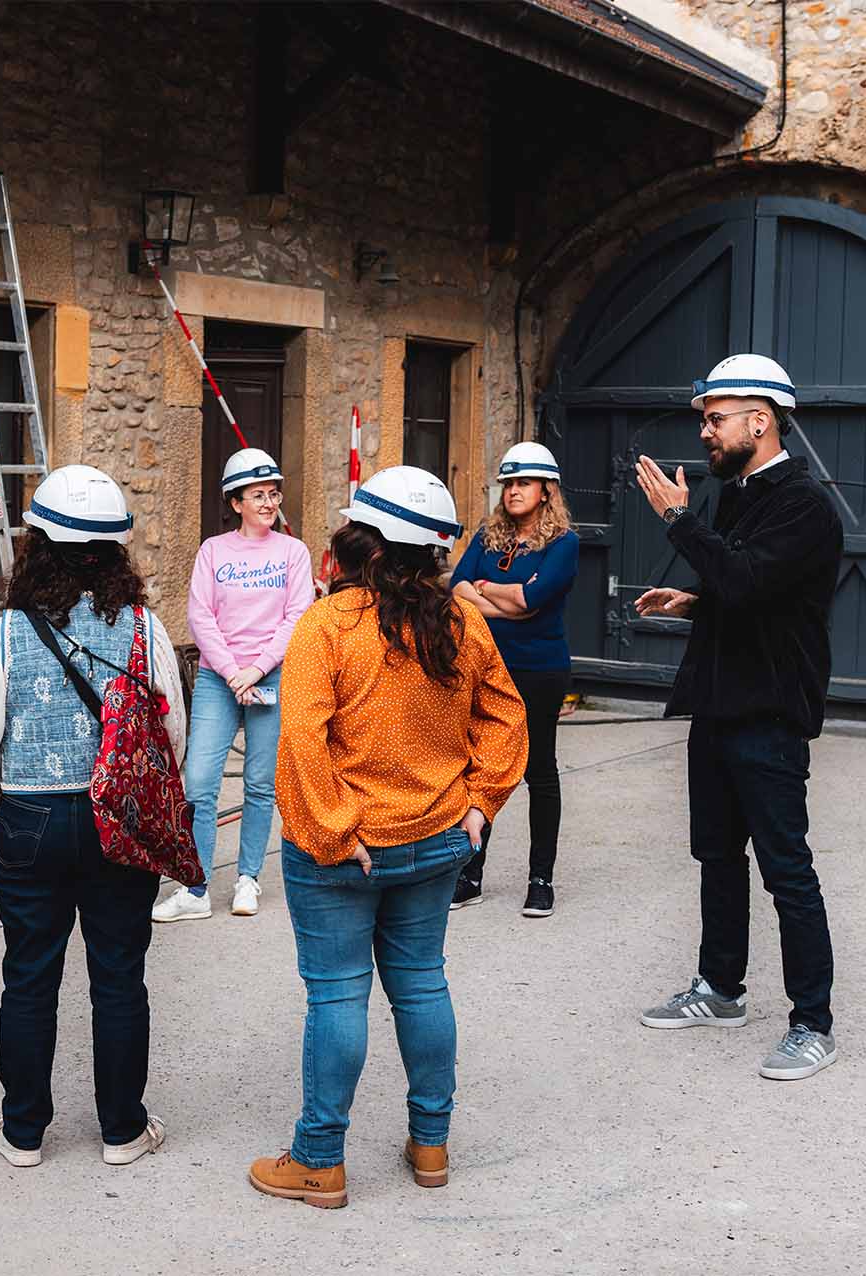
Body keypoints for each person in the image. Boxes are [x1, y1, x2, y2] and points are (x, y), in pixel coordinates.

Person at [248, 466, 527, 1209]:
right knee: (421, 982)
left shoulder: (328, 625)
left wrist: (335, 830)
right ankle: (431, 1143)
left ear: (363, 542)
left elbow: (301, 739)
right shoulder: (461, 620)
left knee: (339, 995)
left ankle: (319, 1159)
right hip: (436, 835)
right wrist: (481, 802)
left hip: (345, 847)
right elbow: (506, 713)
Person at [0, 464, 187, 1168]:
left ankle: (23, 1132)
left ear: (38, 548)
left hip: (32, 818)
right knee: (119, 975)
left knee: (30, 975)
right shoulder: (145, 628)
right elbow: (170, 732)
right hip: (118, 819)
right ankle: (122, 1130)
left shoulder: (6, 634)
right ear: (115, 552)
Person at [633, 353, 843, 1082]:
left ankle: (813, 1024)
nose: (705, 432)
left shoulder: (804, 505)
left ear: (761, 421)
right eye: (704, 420)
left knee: (787, 871)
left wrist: (677, 520)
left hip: (770, 711)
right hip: (719, 705)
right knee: (717, 855)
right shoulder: (737, 494)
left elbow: (749, 578)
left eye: (715, 419)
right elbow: (740, 584)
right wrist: (693, 601)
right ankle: (721, 989)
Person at [153, 447, 313, 923]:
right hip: (218, 678)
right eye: (257, 495)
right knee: (200, 783)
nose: (268, 502)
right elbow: (199, 616)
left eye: (273, 493)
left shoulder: (293, 552)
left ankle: (248, 879)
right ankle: (195, 888)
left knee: (260, 784)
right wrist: (231, 673)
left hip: (271, 674)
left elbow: (297, 617)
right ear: (236, 501)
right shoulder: (213, 551)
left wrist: (256, 670)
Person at [448, 441, 579, 917]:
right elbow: (457, 588)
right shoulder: (489, 535)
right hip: (485, 665)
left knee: (538, 771)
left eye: (524, 483)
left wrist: (488, 591)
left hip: (539, 668)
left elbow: (533, 599)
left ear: (547, 490)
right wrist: (506, 600)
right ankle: (470, 874)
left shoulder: (564, 543)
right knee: (478, 768)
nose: (513, 491)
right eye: (508, 483)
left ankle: (540, 880)